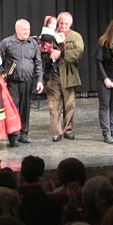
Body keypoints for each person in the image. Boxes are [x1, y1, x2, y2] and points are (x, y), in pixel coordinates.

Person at [0, 19, 43, 146]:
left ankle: (23, 133)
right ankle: (13, 135)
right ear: (17, 29)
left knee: (25, 108)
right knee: (12, 109)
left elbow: (38, 62)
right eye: (24, 29)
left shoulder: (33, 44)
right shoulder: (7, 43)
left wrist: (39, 80)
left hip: (28, 81)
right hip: (12, 82)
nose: (27, 32)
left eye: (28, 29)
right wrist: (3, 77)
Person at [46, 11, 84, 141]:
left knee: (69, 105)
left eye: (66, 23)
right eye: (61, 23)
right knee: (53, 105)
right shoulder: (51, 34)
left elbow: (78, 53)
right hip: (53, 75)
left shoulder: (76, 37)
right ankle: (57, 132)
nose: (63, 25)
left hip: (68, 75)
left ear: (71, 23)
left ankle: (68, 129)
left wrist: (60, 53)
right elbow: (43, 50)